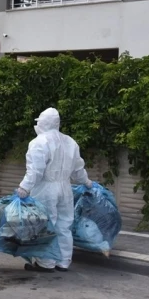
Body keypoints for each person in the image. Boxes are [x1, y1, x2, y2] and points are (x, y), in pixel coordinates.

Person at [16, 107, 93, 273]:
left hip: (45, 188)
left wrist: (25, 187)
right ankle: (63, 262)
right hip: (65, 187)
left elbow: (35, 170)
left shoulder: (39, 142)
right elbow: (78, 168)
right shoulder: (70, 142)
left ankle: (45, 263)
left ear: (43, 122)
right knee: (64, 225)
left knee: (46, 224)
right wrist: (86, 182)